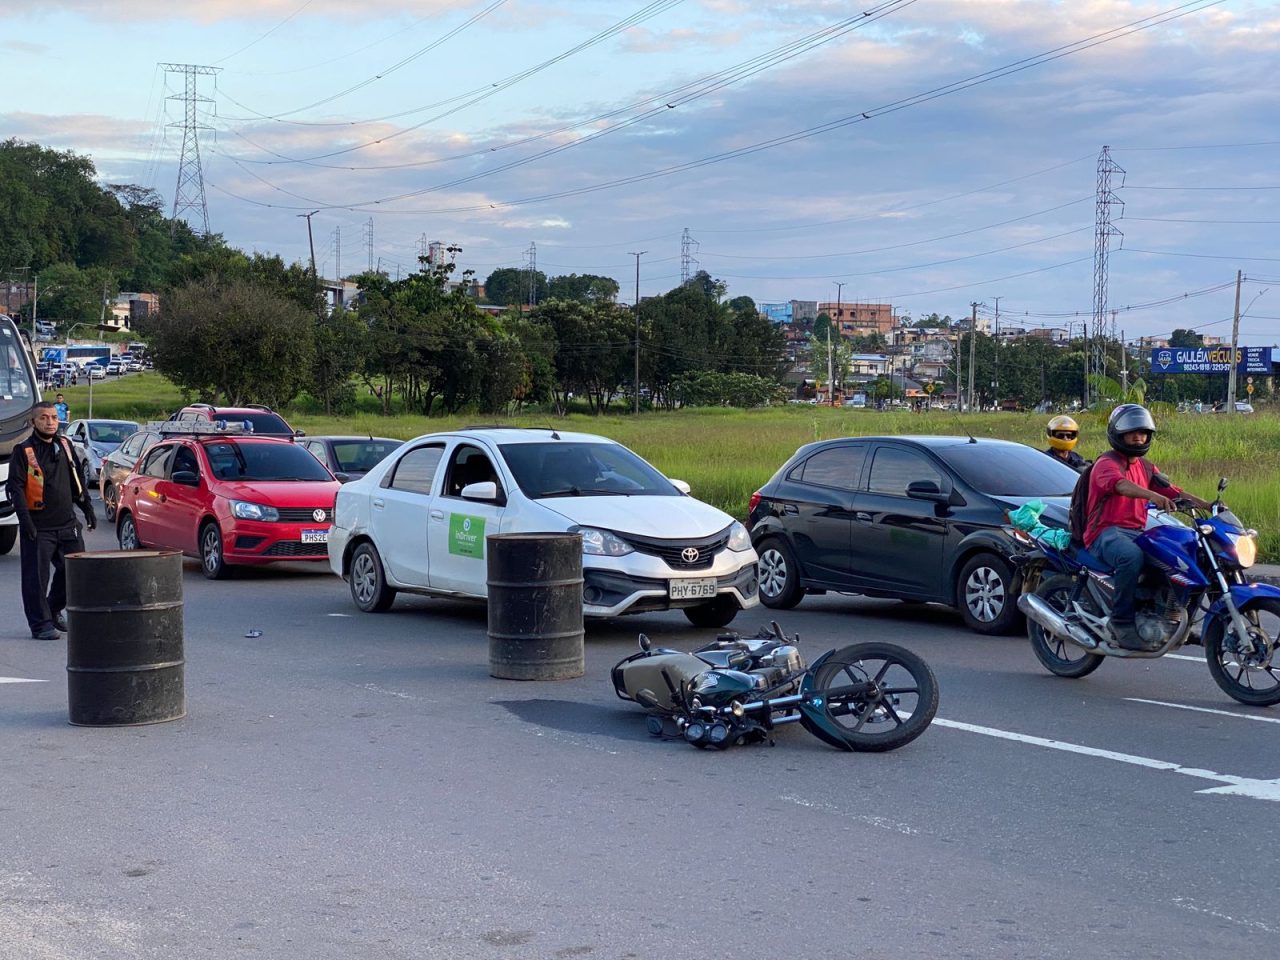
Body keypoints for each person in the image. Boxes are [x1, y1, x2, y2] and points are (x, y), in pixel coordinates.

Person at [1082, 404, 1208, 651]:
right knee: (1130, 556)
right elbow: (1120, 485)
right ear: (1118, 434)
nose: (1138, 437)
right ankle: (1121, 623)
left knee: (1182, 555)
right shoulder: (1106, 463)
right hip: (1104, 533)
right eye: (1132, 432)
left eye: (1142, 432)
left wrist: (1209, 505)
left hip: (1136, 532)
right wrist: (1152, 495)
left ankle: (1175, 620)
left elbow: (1173, 491)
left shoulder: (1146, 467)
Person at [6, 401, 96, 640]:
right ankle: (40, 624)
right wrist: (25, 522)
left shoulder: (65, 445)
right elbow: (16, 489)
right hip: (38, 527)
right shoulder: (23, 451)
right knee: (36, 579)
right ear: (33, 422)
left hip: (67, 524)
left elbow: (77, 480)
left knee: (76, 571)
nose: (50, 422)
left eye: (54, 417)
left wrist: (87, 508)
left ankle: (53, 607)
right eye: (44, 418)